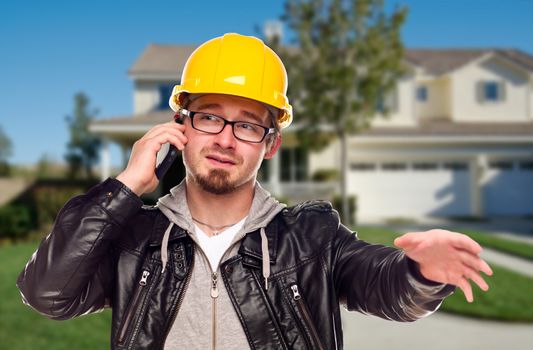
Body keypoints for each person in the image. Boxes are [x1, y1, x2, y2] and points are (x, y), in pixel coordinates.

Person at [17, 33, 492, 350]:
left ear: (270, 144)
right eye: (210, 116)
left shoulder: (311, 237)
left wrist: (421, 273)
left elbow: (385, 287)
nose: (225, 138)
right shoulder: (135, 239)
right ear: (181, 124)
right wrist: (125, 188)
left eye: (247, 125)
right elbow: (47, 294)